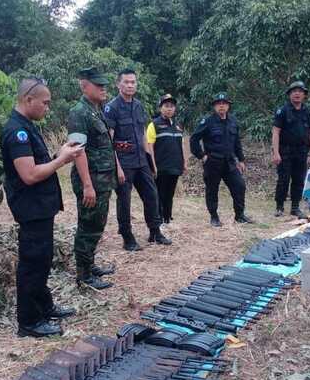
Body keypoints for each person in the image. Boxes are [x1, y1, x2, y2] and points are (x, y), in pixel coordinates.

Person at [0, 78, 83, 338]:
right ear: (29, 99)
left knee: (43, 259)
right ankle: (29, 321)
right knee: (33, 263)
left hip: (41, 206)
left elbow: (39, 163)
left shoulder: (27, 126)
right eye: (45, 103)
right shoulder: (17, 132)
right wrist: (62, 160)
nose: (48, 108)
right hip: (31, 207)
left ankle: (44, 307)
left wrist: (59, 153)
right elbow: (30, 175)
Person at [104, 68, 171, 251]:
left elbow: (142, 135)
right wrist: (117, 167)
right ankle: (127, 237)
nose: (130, 85)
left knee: (152, 195)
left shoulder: (139, 106)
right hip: (123, 162)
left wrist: (150, 161)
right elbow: (109, 140)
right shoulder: (111, 108)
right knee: (124, 200)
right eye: (126, 82)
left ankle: (155, 231)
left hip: (141, 161)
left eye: (133, 82)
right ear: (118, 84)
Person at [68, 67, 122, 291]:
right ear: (84, 86)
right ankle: (84, 275)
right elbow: (77, 151)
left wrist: (117, 169)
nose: (103, 89)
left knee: (96, 225)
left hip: (103, 180)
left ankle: (90, 265)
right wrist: (87, 186)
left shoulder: (95, 111)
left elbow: (107, 145)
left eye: (104, 85)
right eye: (98, 85)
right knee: (88, 227)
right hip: (91, 182)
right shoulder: (79, 113)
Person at [190, 92, 253, 227]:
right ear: (214, 106)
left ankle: (239, 215)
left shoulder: (233, 122)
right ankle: (214, 217)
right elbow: (194, 139)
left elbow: (237, 143)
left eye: (224, 104)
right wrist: (202, 155)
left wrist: (241, 160)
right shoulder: (207, 122)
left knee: (239, 186)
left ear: (228, 106)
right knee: (212, 190)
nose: (221, 106)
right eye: (218, 104)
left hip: (229, 162)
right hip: (213, 162)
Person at [272, 81, 310, 218]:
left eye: (300, 91)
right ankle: (279, 206)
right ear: (289, 94)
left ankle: (295, 207)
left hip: (302, 151)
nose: (297, 94)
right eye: (294, 91)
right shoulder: (282, 111)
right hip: (285, 151)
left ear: (304, 95)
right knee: (283, 179)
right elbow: (276, 132)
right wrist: (276, 152)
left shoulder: (308, 111)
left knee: (299, 179)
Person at [145, 94, 187, 224]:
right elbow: (149, 147)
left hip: (175, 166)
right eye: (166, 106)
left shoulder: (178, 126)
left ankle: (167, 217)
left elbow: (181, 145)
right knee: (159, 194)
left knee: (170, 193)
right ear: (160, 108)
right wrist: (153, 166)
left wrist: (184, 162)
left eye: (172, 106)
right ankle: (159, 219)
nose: (169, 109)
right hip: (160, 167)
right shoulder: (154, 125)